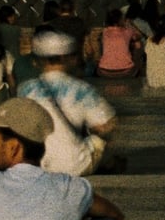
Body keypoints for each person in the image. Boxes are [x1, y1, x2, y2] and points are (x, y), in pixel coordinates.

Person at [14, 28, 121, 178]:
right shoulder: (82, 90)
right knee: (101, 141)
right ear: (68, 58)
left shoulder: (25, 89)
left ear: (37, 60)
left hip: (38, 164)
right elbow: (107, 125)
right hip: (76, 165)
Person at [89, 8, 141, 79]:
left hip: (104, 71)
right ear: (120, 19)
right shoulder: (128, 31)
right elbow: (138, 36)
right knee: (138, 44)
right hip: (126, 71)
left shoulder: (104, 32)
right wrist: (130, 24)